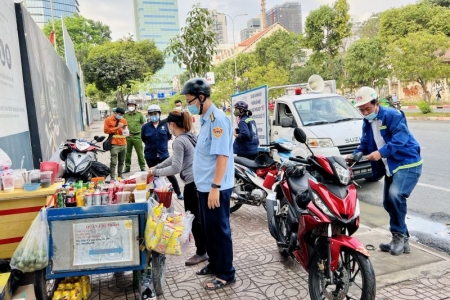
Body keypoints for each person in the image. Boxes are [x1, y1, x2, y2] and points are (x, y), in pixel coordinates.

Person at [347, 87, 422, 256]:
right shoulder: (367, 122)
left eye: (368, 109)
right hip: (391, 166)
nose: (365, 113)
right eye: (362, 110)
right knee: (388, 202)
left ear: (376, 104)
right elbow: (365, 142)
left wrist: (380, 153)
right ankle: (403, 240)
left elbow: (400, 139)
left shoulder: (392, 115)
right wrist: (355, 155)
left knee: (396, 196)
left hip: (407, 163)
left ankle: (398, 237)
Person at [180, 78, 236, 290]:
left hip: (215, 188)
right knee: (210, 230)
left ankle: (226, 274)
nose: (188, 105)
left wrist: (215, 187)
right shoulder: (205, 120)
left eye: (190, 100)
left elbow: (222, 156)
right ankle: (214, 264)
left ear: (201, 97)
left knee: (219, 230)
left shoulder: (218, 120)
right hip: (204, 187)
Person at [148, 109, 207, 266]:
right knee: (200, 217)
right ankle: (205, 249)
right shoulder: (190, 135)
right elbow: (174, 158)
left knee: (194, 219)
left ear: (172, 124)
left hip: (191, 184)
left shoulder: (179, 141)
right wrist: (155, 168)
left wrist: (157, 173)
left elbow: (175, 167)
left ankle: (202, 252)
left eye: (168, 125)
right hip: (199, 181)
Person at [141, 104, 183, 199]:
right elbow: (143, 139)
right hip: (150, 156)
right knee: (153, 175)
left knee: (170, 175)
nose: (153, 116)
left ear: (159, 114)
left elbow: (168, 137)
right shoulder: (145, 127)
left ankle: (179, 193)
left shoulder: (165, 125)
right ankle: (156, 195)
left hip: (163, 155)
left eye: (155, 113)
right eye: (151, 114)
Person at [103, 107, 128, 180]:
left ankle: (120, 175)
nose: (121, 116)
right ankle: (112, 177)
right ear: (116, 113)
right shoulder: (108, 120)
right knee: (113, 162)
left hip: (123, 143)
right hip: (114, 144)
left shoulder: (124, 120)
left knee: (122, 161)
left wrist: (126, 131)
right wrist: (117, 127)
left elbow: (125, 131)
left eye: (122, 114)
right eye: (119, 114)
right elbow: (106, 131)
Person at [123, 99, 146, 173]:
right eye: (129, 105)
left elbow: (143, 125)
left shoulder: (139, 114)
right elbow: (123, 126)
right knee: (127, 153)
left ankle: (142, 166)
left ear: (135, 106)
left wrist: (143, 134)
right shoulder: (125, 115)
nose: (131, 107)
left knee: (140, 152)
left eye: (132, 105)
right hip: (128, 137)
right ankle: (127, 167)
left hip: (137, 136)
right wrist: (125, 133)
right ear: (127, 106)